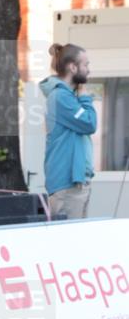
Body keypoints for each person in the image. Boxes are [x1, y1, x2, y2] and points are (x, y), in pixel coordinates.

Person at [39, 43, 97, 219]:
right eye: (85, 65)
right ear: (73, 67)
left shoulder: (68, 97)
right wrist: (86, 97)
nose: (88, 70)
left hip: (74, 184)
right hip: (67, 186)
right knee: (70, 243)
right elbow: (89, 123)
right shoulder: (61, 97)